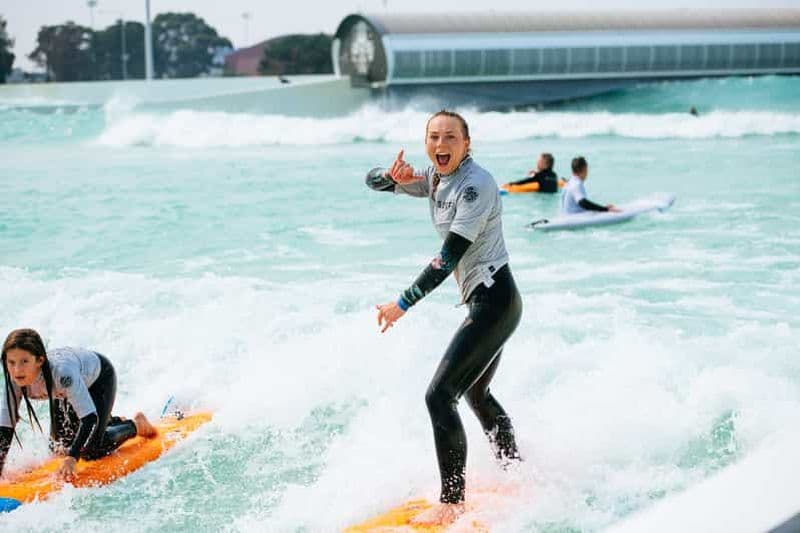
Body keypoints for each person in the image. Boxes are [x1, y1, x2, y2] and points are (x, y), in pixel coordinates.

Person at [365, 110, 523, 526]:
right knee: (476, 393)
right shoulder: (436, 178)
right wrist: (389, 175)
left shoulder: (475, 186)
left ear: (466, 144)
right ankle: (515, 472)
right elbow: (372, 181)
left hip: (495, 300)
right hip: (489, 302)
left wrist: (402, 303)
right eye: (433, 136)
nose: (441, 144)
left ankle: (452, 504)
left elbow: (447, 257)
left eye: (451, 137)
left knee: (439, 396)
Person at [0, 328, 157, 480]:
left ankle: (136, 425)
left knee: (91, 450)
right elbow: (6, 428)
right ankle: (110, 422)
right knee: (59, 446)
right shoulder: (14, 381)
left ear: (39, 361)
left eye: (24, 361)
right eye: (11, 362)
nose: (17, 370)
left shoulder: (62, 375)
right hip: (65, 390)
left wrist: (72, 458)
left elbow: (89, 419)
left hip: (98, 379)